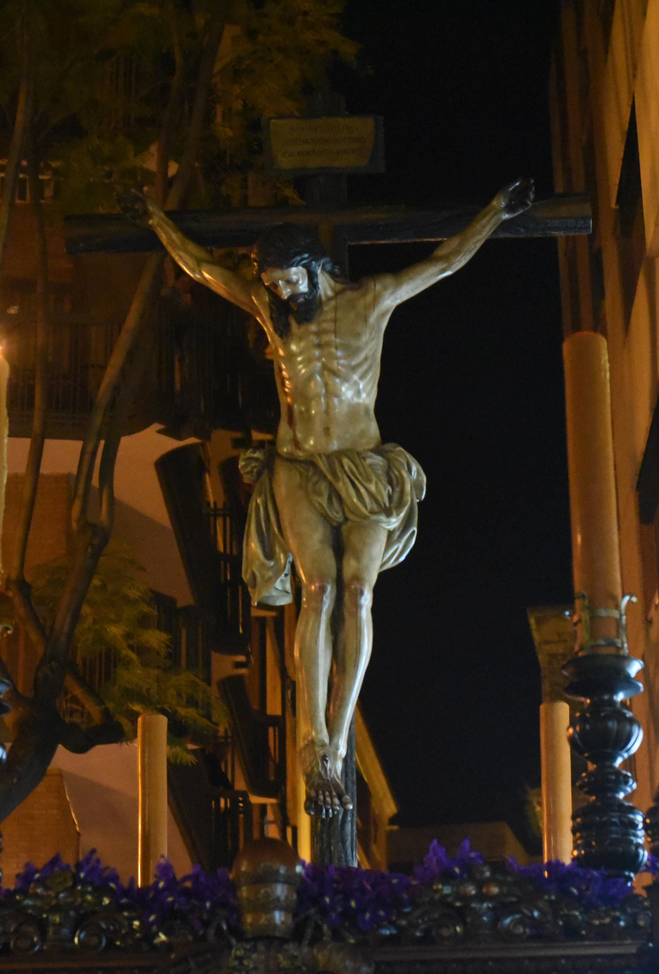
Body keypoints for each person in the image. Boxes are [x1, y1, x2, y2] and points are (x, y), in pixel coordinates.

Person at [130, 180, 534, 818]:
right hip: (297, 466)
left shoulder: (370, 301)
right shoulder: (272, 311)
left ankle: (339, 736)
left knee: (357, 590)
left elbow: (444, 261)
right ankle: (313, 739)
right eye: (272, 282)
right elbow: (206, 271)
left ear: (315, 266)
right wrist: (157, 221)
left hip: (365, 470)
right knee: (317, 589)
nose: (281, 291)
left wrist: (492, 213)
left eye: (289, 279)